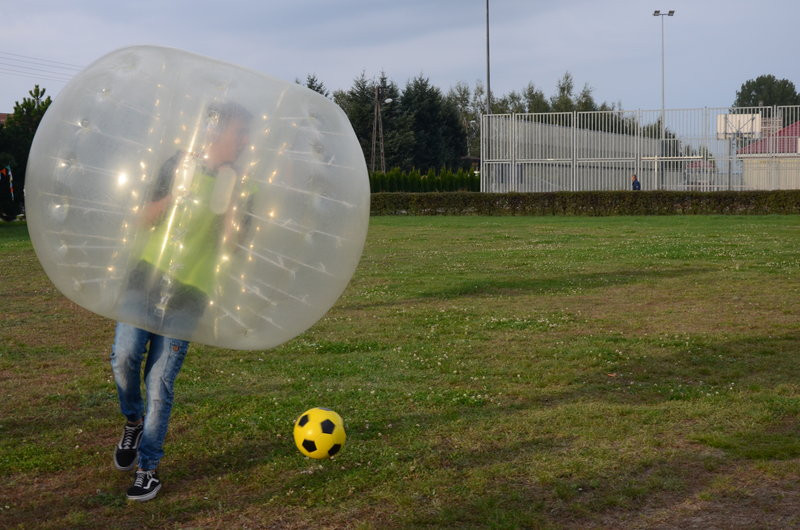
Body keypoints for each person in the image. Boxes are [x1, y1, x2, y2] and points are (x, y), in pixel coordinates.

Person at [110, 102, 252, 501]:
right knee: (124, 358)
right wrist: (177, 193)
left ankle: (148, 468)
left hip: (190, 295)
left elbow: (235, 247)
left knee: (160, 383)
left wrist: (232, 205)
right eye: (239, 133)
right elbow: (141, 217)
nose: (244, 142)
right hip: (145, 279)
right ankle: (133, 421)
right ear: (216, 132)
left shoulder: (243, 183)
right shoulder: (177, 163)